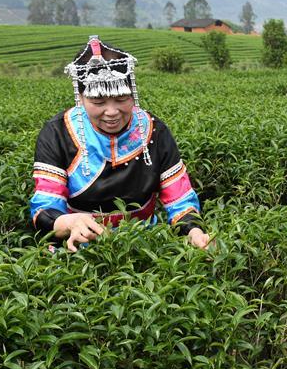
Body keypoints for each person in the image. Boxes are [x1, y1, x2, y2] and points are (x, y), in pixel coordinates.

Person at [30, 35, 209, 252]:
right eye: (98, 102)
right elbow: (45, 208)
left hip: (144, 243)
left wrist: (194, 231)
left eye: (122, 99)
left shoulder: (154, 130)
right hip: (78, 245)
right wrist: (69, 223)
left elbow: (180, 199)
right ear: (80, 96)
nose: (112, 112)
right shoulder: (58, 133)